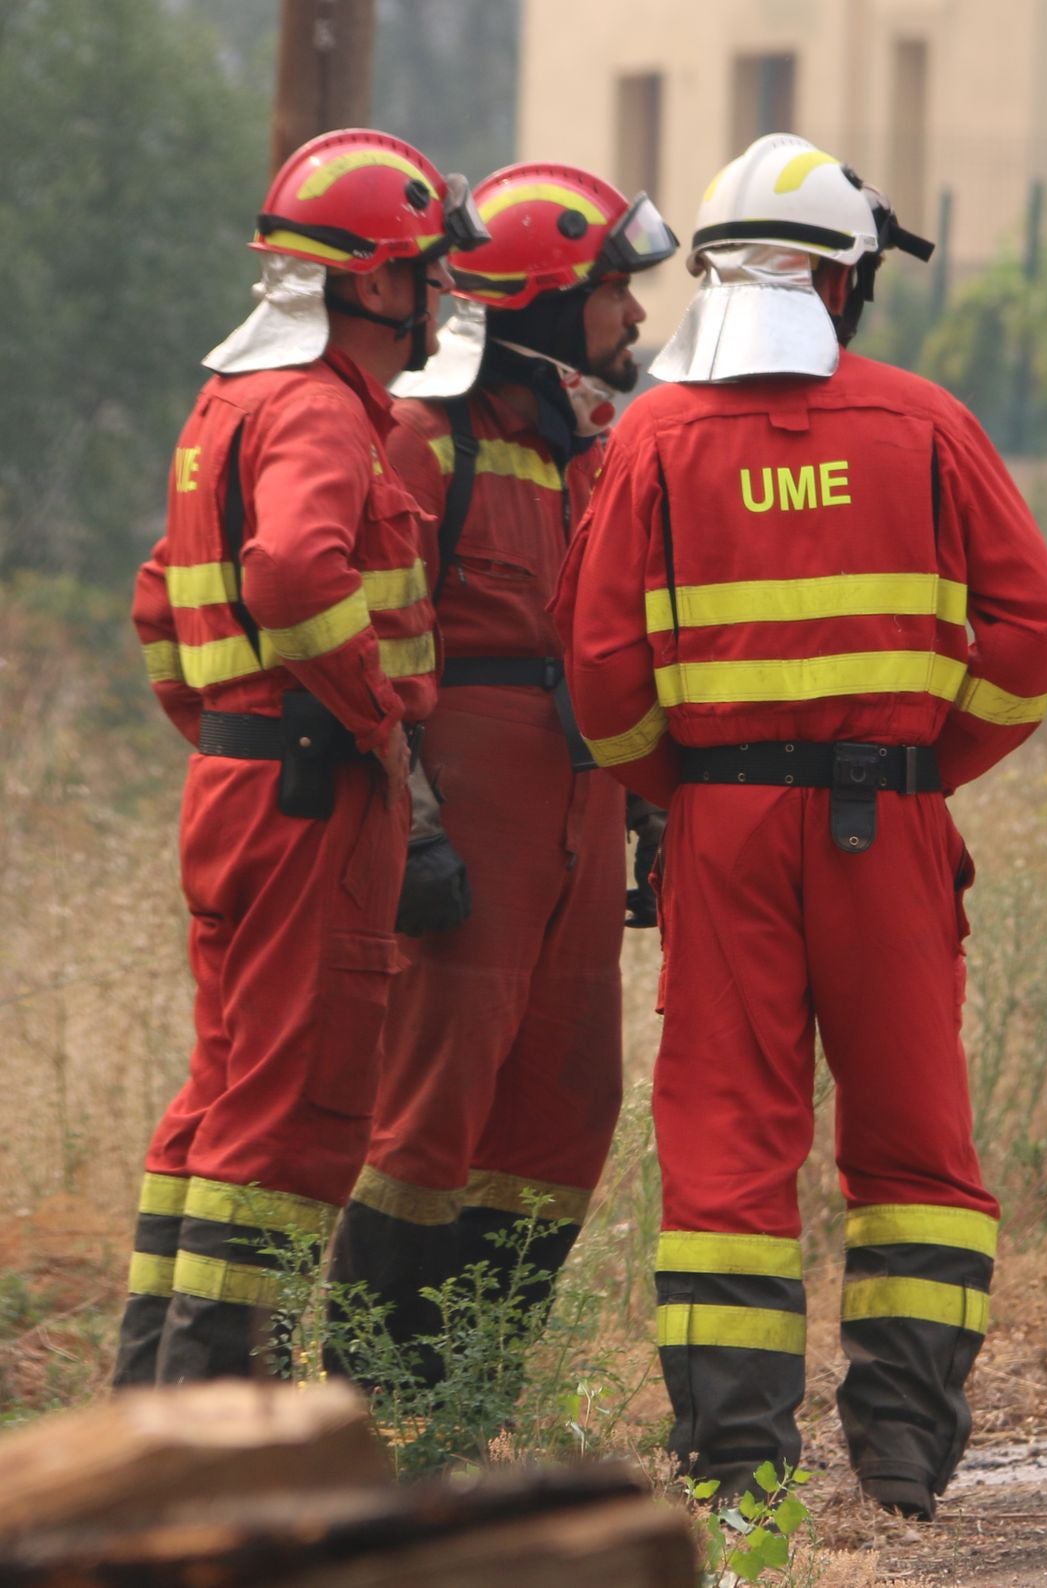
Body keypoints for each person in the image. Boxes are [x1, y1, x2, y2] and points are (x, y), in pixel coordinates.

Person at [552, 134, 1047, 1518]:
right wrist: (929, 767)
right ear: (844, 287)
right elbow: (1030, 632)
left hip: (723, 824)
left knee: (727, 1132)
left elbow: (599, 671)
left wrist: (683, 792)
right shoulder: (928, 423)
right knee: (916, 1140)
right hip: (886, 822)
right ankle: (901, 1460)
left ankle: (739, 1475)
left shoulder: (651, 437)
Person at [113, 127, 488, 1385]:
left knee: (219, 1094)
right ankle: (220, 1421)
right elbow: (288, 570)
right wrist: (371, 712)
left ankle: (151, 1404)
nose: (440, 295)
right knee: (290, 1111)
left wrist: (229, 729)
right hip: (311, 796)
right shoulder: (322, 411)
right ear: (375, 283)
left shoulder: (225, 404)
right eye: (429, 269)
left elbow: (162, 604)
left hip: (240, 780)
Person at [324, 164, 677, 1375]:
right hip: (471, 826)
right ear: (541, 302)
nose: (634, 317)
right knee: (429, 1105)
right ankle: (373, 1397)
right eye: (616, 292)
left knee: (567, 1109)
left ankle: (475, 1396)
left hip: (580, 814)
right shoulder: (426, 443)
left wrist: (654, 817)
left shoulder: (593, 455)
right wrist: (412, 824)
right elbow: (370, 650)